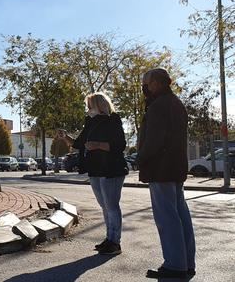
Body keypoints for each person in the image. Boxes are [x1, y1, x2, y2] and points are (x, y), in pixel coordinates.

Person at [137, 68, 196, 279]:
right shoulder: (175, 103)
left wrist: (140, 158)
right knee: (180, 216)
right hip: (175, 167)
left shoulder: (158, 106)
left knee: (167, 218)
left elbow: (154, 141)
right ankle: (186, 263)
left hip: (160, 168)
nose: (143, 86)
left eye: (146, 82)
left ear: (156, 83)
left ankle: (175, 265)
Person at [60, 92, 128, 255]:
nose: (88, 109)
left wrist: (97, 145)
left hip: (112, 168)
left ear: (100, 105)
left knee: (112, 206)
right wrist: (65, 137)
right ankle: (109, 239)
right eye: (88, 106)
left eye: (90, 106)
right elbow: (79, 143)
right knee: (104, 207)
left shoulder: (113, 119)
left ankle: (115, 242)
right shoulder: (91, 122)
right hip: (95, 169)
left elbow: (120, 145)